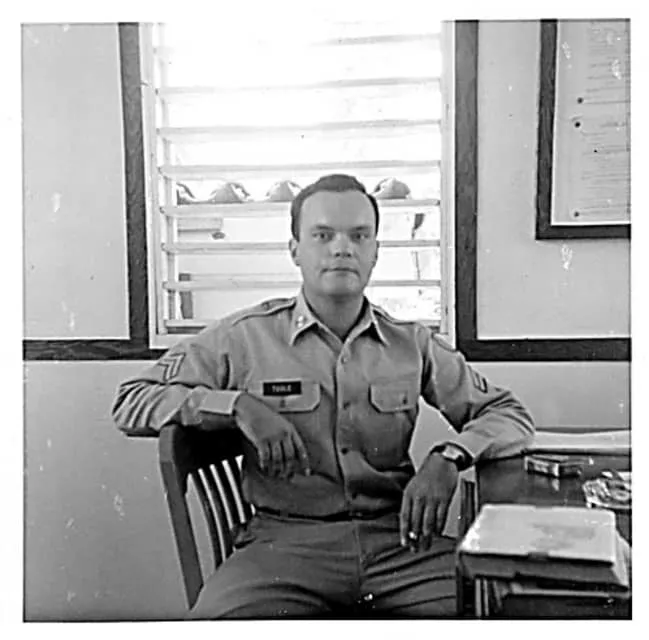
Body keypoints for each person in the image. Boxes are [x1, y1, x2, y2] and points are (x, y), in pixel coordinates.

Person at [112, 173, 535, 618]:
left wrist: (449, 456)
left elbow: (508, 414)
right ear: (295, 249)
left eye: (359, 236)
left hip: (400, 545)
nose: (342, 248)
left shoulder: (411, 343)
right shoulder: (244, 338)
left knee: (506, 611)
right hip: (282, 550)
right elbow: (131, 400)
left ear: (375, 251)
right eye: (323, 235)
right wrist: (236, 405)